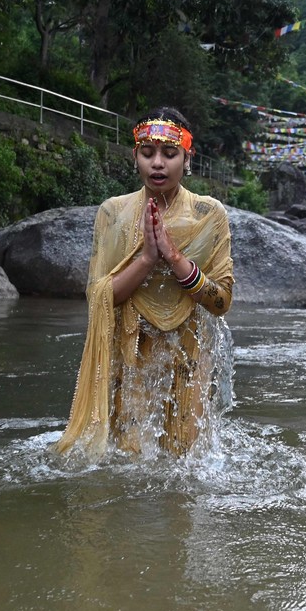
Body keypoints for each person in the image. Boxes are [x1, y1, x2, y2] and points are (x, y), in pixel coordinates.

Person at [56, 107, 235, 463]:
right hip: (130, 355)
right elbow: (99, 298)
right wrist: (147, 259)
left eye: (169, 154)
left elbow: (221, 301)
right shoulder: (113, 213)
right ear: (134, 155)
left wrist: (175, 258)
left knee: (186, 465)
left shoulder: (208, 214)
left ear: (187, 158)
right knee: (127, 459)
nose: (158, 163)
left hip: (188, 354)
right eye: (147, 153)